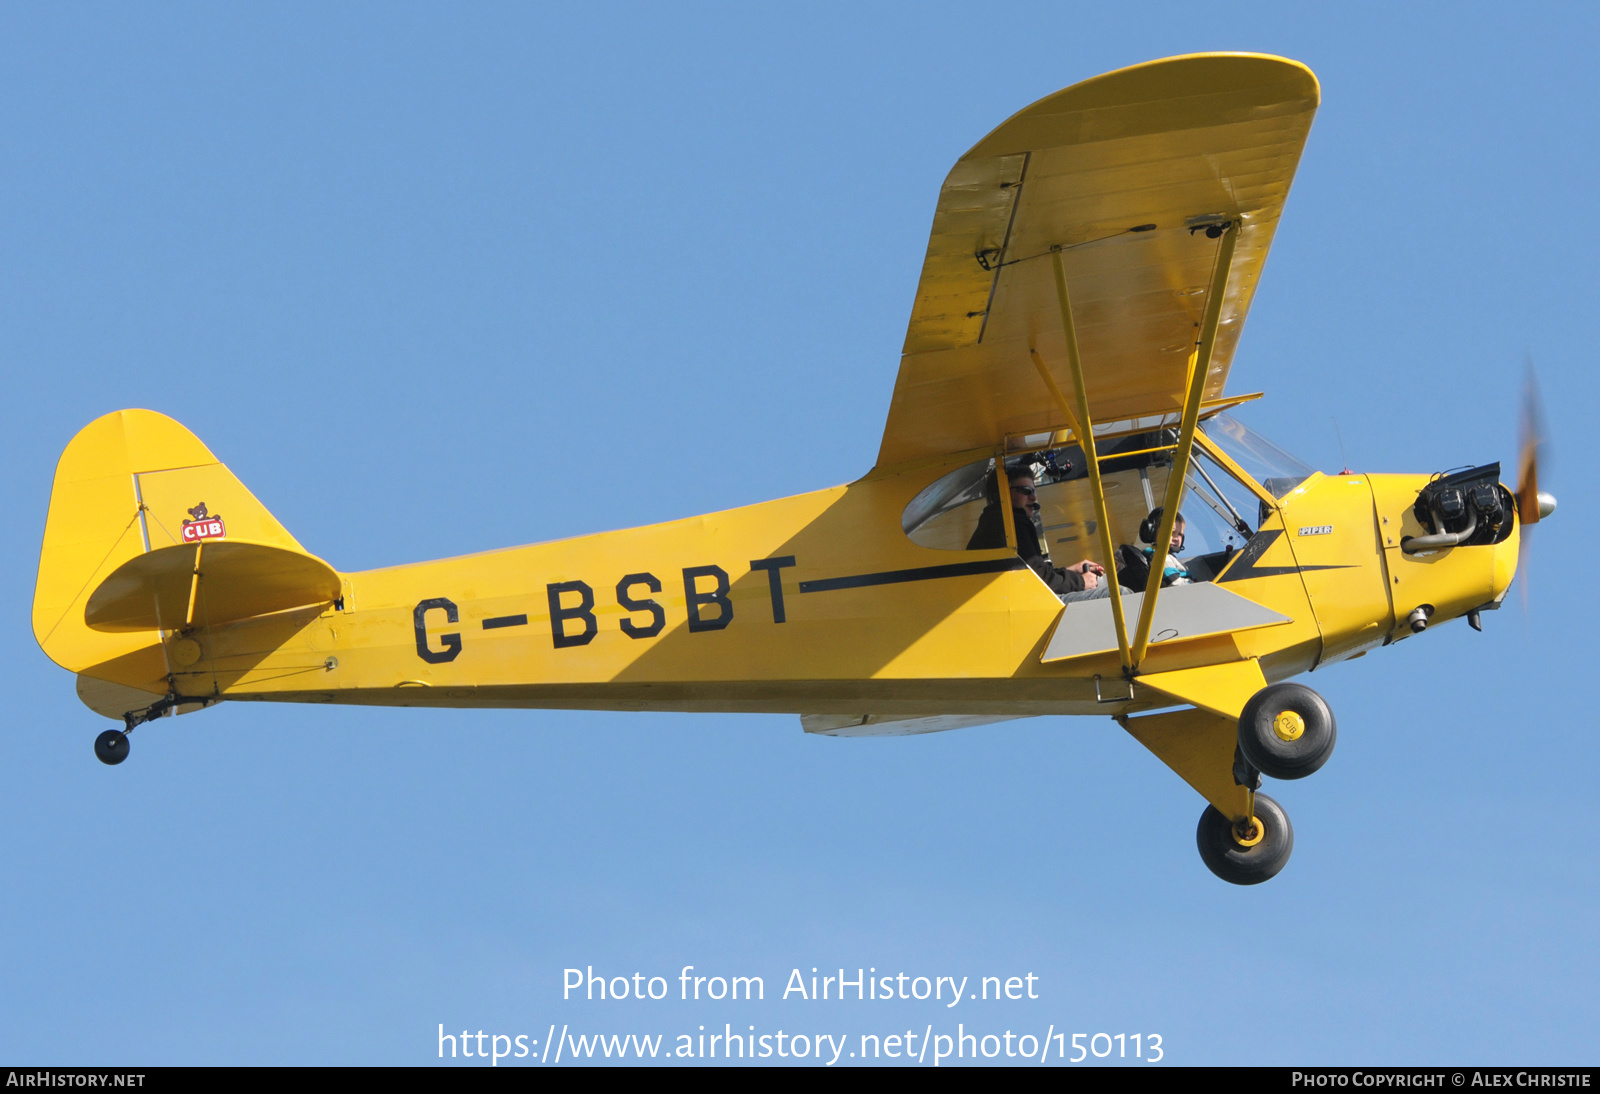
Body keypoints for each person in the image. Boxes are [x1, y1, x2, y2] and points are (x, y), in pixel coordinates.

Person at [967, 464, 1108, 599]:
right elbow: (1040, 580)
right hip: (1021, 605)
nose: (1033, 497)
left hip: (1013, 600)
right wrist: (1081, 582)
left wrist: (1070, 571)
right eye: (1026, 491)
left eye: (1034, 491)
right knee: (1118, 593)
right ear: (1002, 493)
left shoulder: (995, 521)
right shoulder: (1012, 522)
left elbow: (1035, 573)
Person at [1116, 506, 1191, 590]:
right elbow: (1174, 583)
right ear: (1152, 532)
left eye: (1180, 534)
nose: (1176, 538)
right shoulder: (1162, 557)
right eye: (1171, 532)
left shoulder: (1167, 557)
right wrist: (1197, 586)